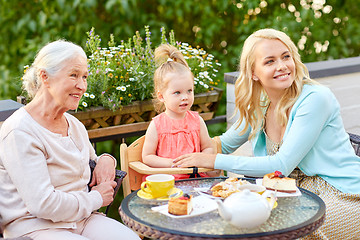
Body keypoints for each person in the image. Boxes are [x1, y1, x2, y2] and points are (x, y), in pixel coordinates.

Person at [173, 29, 360, 239]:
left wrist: (213, 160)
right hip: (291, 193)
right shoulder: (262, 103)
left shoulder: (315, 99)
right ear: (253, 72)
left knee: (296, 232)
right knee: (235, 221)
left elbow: (280, 165)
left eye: (286, 56)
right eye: (270, 61)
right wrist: (172, 136)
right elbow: (224, 144)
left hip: (345, 194)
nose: (282, 66)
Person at [0, 40, 140, 240]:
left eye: (84, 77)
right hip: (35, 227)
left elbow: (91, 160)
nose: (82, 86)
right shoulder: (20, 131)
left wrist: (107, 159)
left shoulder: (74, 126)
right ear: (45, 76)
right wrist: (96, 198)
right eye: (74, 75)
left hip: (81, 220)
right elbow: (43, 204)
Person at [142, 44, 220, 179]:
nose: (185, 97)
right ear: (161, 96)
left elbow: (208, 147)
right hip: (167, 182)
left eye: (189, 91)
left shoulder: (197, 121)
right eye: (177, 92)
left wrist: (200, 159)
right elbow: (147, 157)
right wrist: (172, 163)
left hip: (195, 180)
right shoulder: (157, 125)